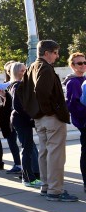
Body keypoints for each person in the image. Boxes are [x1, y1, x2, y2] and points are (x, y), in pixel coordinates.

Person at [25, 40, 78, 201]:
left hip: (40, 117)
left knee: (45, 152)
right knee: (55, 154)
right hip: (49, 117)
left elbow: (26, 91)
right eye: (55, 52)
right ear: (46, 53)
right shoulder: (45, 68)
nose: (57, 56)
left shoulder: (33, 66)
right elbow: (41, 90)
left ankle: (46, 186)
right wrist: (51, 110)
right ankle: (55, 190)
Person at [9, 62, 42, 188]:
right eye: (23, 70)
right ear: (17, 72)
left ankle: (28, 176)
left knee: (27, 148)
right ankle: (28, 178)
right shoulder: (18, 85)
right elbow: (18, 106)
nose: (26, 71)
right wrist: (31, 116)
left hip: (21, 120)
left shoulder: (17, 85)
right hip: (22, 121)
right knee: (26, 149)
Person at [64, 52, 86, 193]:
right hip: (84, 122)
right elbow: (73, 105)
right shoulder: (72, 82)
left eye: (85, 62)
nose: (83, 65)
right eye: (79, 63)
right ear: (72, 65)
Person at [0, 61, 22, 174]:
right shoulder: (7, 84)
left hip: (15, 117)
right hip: (9, 117)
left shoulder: (15, 84)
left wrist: (5, 97)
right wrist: (3, 96)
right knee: (13, 141)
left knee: (22, 143)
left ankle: (21, 165)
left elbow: (13, 103)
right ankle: (19, 164)